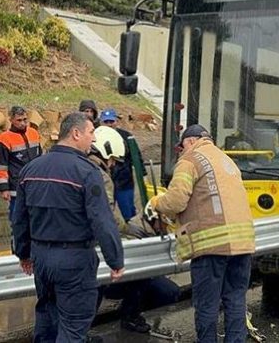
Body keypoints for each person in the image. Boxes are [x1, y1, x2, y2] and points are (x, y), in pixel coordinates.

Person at [12, 112, 124, 342]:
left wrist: (24, 253)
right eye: (91, 133)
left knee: (46, 321)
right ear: (75, 133)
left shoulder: (31, 169)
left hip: (41, 259)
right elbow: (102, 220)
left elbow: (19, 219)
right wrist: (115, 260)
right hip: (74, 259)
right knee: (73, 326)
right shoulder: (87, 172)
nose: (93, 139)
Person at [145, 124, 255, 343]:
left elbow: (176, 201)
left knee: (207, 305)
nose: (182, 151)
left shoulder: (190, 160)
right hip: (243, 244)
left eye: (182, 146)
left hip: (211, 246)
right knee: (235, 300)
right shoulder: (226, 160)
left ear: (190, 141)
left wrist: (156, 202)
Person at [90, 126, 180, 335]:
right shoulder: (98, 175)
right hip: (94, 251)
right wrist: (126, 227)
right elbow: (108, 217)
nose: (112, 165)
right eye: (112, 159)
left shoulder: (80, 168)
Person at [0, 106, 43, 220]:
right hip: (16, 187)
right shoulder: (4, 138)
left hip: (35, 185)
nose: (23, 123)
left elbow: (41, 159)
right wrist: (3, 188)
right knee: (17, 220)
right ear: (11, 120)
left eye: (25, 119)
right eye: (19, 120)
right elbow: (1, 165)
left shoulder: (34, 133)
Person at [100, 108, 145, 221]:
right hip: (105, 182)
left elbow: (137, 157)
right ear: (101, 122)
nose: (109, 125)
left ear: (117, 121)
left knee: (128, 211)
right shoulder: (97, 137)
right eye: (106, 122)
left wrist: (143, 174)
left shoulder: (126, 137)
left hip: (124, 182)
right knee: (105, 212)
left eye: (111, 121)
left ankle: (134, 234)